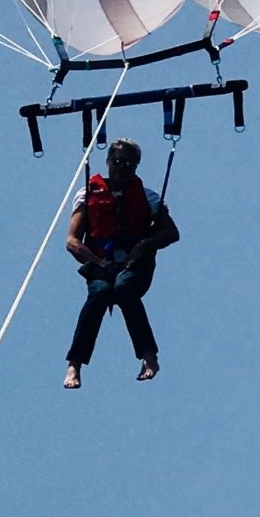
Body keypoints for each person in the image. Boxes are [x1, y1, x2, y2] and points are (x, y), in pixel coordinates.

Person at [62, 139, 180, 389]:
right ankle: (75, 363)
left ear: (136, 167)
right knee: (100, 293)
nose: (122, 168)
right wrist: (96, 261)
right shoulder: (87, 194)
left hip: (133, 263)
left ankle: (149, 357)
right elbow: (72, 241)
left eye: (129, 164)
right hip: (99, 262)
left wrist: (144, 245)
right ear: (108, 163)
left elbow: (171, 232)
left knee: (125, 290)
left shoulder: (148, 198)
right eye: (117, 162)